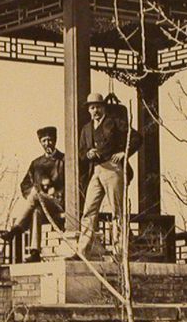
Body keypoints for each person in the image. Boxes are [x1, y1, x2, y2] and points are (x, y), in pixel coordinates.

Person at [77, 92, 139, 255]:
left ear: (103, 107)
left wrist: (124, 153)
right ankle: (82, 250)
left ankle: (120, 249)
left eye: (98, 106)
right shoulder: (86, 129)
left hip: (112, 168)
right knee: (89, 209)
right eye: (92, 107)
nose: (95, 110)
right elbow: (81, 152)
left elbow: (136, 138)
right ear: (88, 110)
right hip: (95, 171)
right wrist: (88, 153)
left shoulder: (115, 123)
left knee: (116, 210)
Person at [7, 126, 65, 234]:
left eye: (49, 140)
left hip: (58, 203)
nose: (47, 143)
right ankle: (35, 249)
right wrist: (32, 194)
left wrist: (58, 193)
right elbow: (25, 185)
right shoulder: (36, 164)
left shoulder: (64, 160)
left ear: (55, 140)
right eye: (44, 141)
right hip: (41, 203)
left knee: (35, 195)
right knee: (36, 211)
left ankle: (17, 227)